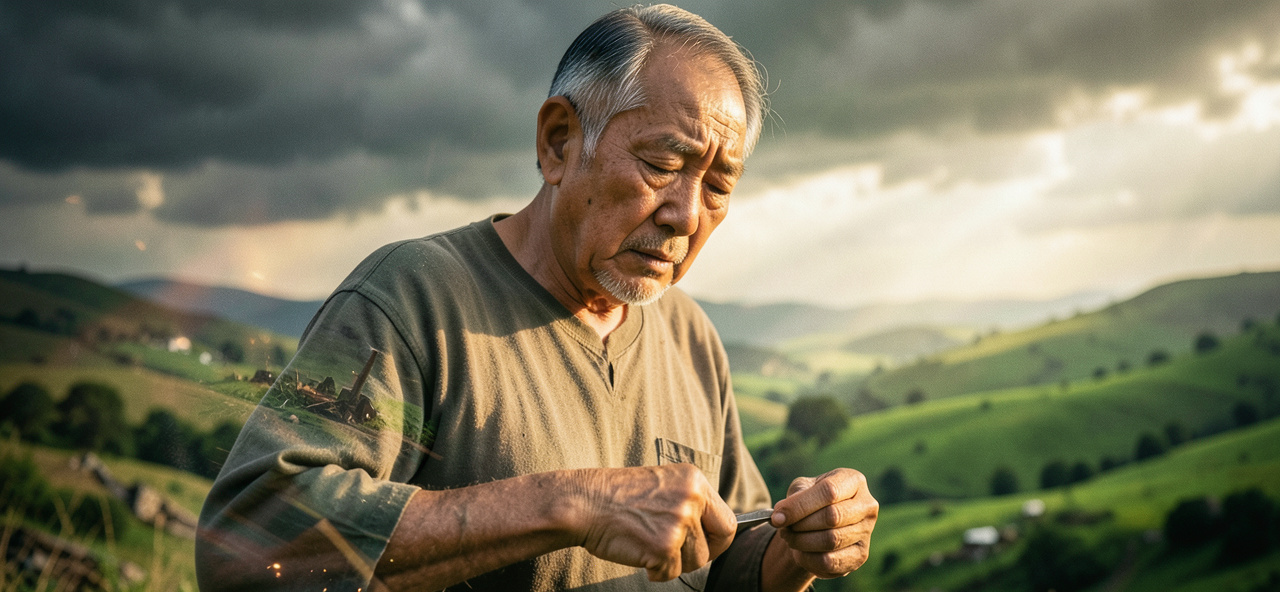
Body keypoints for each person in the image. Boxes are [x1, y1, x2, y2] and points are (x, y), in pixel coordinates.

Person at [196, 5, 877, 591]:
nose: (686, 214)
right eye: (663, 164)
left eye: (719, 186)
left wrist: (795, 552)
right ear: (558, 143)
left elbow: (722, 564)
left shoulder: (690, 336)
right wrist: (572, 502)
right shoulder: (411, 298)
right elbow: (250, 544)